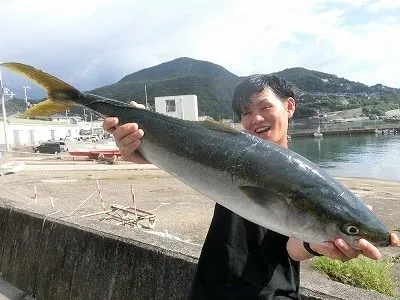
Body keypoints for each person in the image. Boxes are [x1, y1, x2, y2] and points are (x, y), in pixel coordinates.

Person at [103, 75, 400, 299]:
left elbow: (293, 249)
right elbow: (191, 161)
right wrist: (142, 148)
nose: (254, 119)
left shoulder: (314, 184)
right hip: (209, 291)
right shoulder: (235, 155)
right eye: (245, 112)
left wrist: (320, 243)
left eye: (265, 107)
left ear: (289, 107)